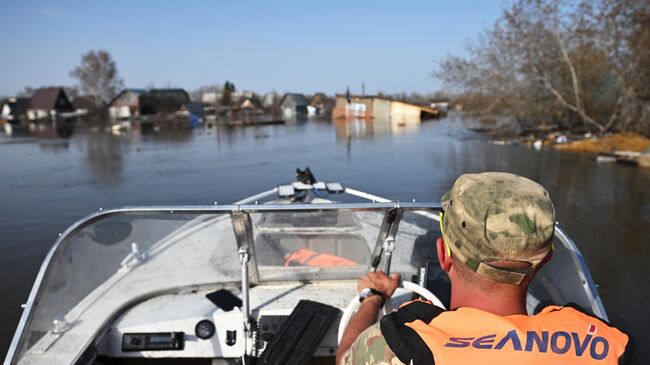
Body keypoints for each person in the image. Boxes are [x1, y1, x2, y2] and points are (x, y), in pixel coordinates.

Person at [337, 172, 635, 365]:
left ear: (444, 254)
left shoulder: (402, 343)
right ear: (545, 261)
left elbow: (345, 359)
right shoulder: (608, 346)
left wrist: (373, 296)